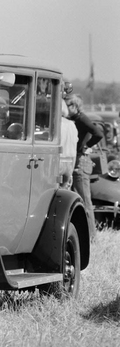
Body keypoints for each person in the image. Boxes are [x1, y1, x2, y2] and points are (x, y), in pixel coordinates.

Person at [65, 94, 103, 239]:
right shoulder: (75, 119)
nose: (66, 108)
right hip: (78, 160)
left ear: (74, 106)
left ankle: (92, 237)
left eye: (68, 105)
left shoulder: (81, 118)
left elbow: (98, 133)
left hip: (81, 161)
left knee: (85, 201)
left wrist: (86, 145)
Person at [59, 99, 78, 189]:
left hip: (58, 162)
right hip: (70, 163)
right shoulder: (72, 125)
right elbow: (74, 147)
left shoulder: (56, 124)